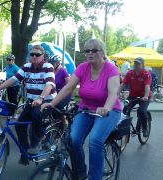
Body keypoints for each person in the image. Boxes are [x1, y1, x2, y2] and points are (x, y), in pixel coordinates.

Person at [41, 39, 121, 179]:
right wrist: (52, 103)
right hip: (86, 109)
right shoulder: (83, 67)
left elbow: (113, 92)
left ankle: (94, 177)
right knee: (74, 140)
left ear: (102, 52)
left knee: (95, 140)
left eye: (93, 50)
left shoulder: (111, 69)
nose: (90, 53)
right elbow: (68, 87)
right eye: (87, 51)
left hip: (108, 111)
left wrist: (106, 108)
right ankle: (80, 173)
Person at [0, 45, 56, 165]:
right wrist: (0, 87)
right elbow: (14, 79)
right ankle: (25, 152)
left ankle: (36, 144)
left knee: (36, 116)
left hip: (46, 101)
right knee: (19, 125)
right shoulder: (27, 67)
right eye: (31, 54)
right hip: (32, 101)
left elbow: (49, 85)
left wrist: (41, 98)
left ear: (43, 56)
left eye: (37, 54)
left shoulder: (48, 67)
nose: (34, 56)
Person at [120, 57, 151, 137]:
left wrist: (146, 96)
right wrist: (116, 93)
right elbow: (123, 84)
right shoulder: (130, 73)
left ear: (143, 65)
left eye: (138, 64)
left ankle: (144, 129)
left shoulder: (146, 74)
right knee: (125, 108)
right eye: (135, 63)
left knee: (141, 111)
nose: (136, 65)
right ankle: (124, 127)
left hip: (144, 96)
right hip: (133, 95)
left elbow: (147, 86)